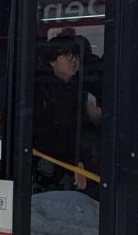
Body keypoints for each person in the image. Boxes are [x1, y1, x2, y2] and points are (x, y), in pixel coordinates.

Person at [33, 34, 102, 193]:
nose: (74, 61)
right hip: (53, 170)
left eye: (76, 57)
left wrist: (96, 119)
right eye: (67, 56)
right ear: (52, 61)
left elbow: (83, 132)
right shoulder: (41, 91)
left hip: (80, 164)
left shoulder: (81, 88)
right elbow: (48, 134)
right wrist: (75, 162)